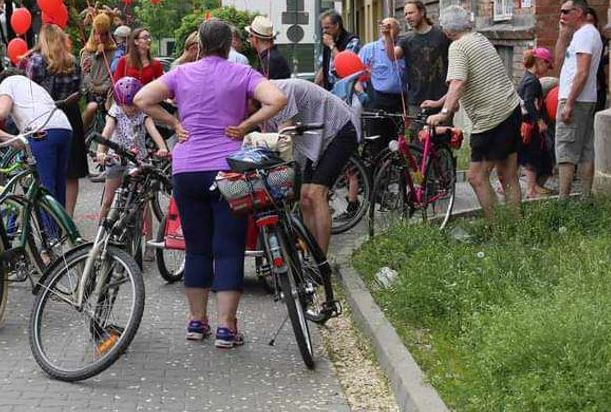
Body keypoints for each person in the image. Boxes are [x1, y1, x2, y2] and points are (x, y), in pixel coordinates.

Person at [135, 18, 286, 349]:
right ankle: (226, 328)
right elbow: (277, 99)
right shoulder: (242, 73)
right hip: (228, 171)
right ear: (230, 45)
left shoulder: (181, 73)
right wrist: (246, 125)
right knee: (229, 248)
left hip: (186, 169)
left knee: (197, 246)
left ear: (200, 44)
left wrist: (174, 121)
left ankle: (195, 321)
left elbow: (143, 99)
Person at [425, 5, 523, 220]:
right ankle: (515, 226)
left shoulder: (458, 47)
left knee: (476, 177)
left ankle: (498, 229)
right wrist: (441, 102)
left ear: (446, 30)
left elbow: (458, 83)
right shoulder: (479, 38)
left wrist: (443, 113)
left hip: (492, 119)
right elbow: (464, 82)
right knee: (508, 174)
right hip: (511, 109)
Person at [265, 78, 357, 277]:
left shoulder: (281, 91)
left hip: (338, 131)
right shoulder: (261, 105)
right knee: (305, 199)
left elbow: (284, 137)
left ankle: (321, 263)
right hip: (313, 139)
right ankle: (310, 257)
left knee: (315, 194)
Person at [0, 74, 74, 207]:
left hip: (43, 133)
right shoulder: (29, 95)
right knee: (58, 186)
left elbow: (2, 111)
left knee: (45, 189)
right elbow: (22, 143)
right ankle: (61, 227)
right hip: (63, 128)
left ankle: (49, 227)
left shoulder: (7, 82)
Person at [25, 23, 87, 217]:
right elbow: (80, 91)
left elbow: (30, 92)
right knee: (71, 172)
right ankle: (68, 217)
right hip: (70, 117)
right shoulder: (73, 62)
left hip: (45, 118)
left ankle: (51, 218)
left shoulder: (36, 62)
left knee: (48, 172)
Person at [94, 77, 169, 219]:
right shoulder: (115, 111)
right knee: (108, 200)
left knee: (143, 201)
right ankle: (101, 231)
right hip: (117, 158)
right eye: (129, 105)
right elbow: (107, 132)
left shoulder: (143, 111)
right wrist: (100, 152)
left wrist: (162, 147)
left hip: (138, 159)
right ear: (120, 102)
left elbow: (153, 130)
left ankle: (148, 238)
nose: (134, 108)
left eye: (135, 104)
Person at [553, 0, 604, 198]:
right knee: (584, 151)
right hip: (584, 99)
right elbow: (560, 66)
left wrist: (569, 104)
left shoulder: (585, 34)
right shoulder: (582, 34)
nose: (562, 15)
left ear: (579, 12)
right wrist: (562, 35)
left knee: (566, 152)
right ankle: (584, 199)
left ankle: (563, 201)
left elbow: (582, 72)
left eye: (566, 11)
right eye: (560, 12)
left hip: (575, 100)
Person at [394, 0, 451, 115]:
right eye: (405, 14)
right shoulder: (405, 39)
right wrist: (387, 36)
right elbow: (393, 56)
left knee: (443, 132)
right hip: (416, 101)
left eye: (411, 13)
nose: (408, 17)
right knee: (418, 133)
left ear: (422, 12)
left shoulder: (442, 34)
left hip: (441, 98)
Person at [359, 17, 407, 151]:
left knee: (396, 142)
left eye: (391, 27)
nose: (388, 30)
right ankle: (374, 169)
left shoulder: (404, 48)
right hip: (377, 100)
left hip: (399, 101)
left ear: (399, 30)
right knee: (376, 141)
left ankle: (392, 170)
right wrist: (362, 95)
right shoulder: (370, 49)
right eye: (385, 27)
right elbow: (357, 75)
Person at [518, 47, 556, 198]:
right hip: (530, 124)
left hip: (525, 122)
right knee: (532, 157)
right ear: (540, 61)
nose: (547, 70)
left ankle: (510, 186)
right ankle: (531, 189)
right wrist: (539, 121)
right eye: (547, 65)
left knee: (525, 156)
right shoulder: (532, 81)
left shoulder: (527, 78)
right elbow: (528, 102)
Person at [79, 12, 116, 130]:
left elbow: (113, 74)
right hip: (91, 95)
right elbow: (85, 73)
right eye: (97, 34)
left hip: (108, 95)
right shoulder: (86, 52)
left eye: (103, 35)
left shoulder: (113, 52)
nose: (100, 38)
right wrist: (96, 55)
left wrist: (105, 87)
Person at [315, 11, 360, 90]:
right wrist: (315, 85)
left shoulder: (352, 40)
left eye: (327, 27)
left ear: (337, 26)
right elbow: (325, 66)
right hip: (330, 89)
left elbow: (344, 64)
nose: (324, 31)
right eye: (323, 28)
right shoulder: (328, 42)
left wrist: (332, 46)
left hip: (345, 90)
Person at [585, 7, 609, 113]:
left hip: (598, 83)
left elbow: (609, 55)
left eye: (591, 21)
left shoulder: (601, 39)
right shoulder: (577, 39)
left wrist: (598, 61)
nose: (588, 25)